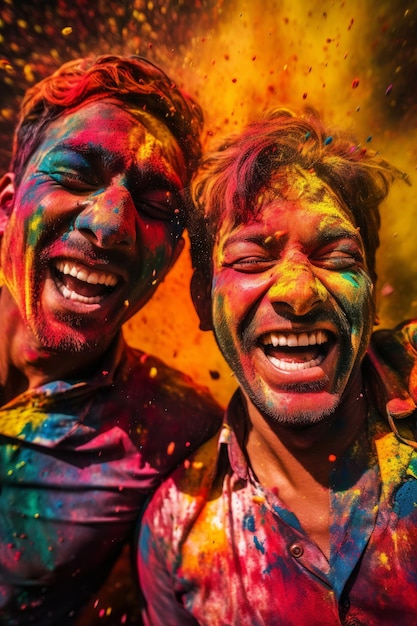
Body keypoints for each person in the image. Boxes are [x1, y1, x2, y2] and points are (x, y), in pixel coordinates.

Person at [138, 107, 417, 626]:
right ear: (203, 300)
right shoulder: (179, 537)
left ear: (373, 294)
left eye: (335, 256)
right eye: (250, 260)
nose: (298, 291)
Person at [0, 54, 223, 625]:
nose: (109, 223)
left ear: (172, 255)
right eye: (75, 176)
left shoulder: (175, 428)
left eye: (153, 206)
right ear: (6, 208)